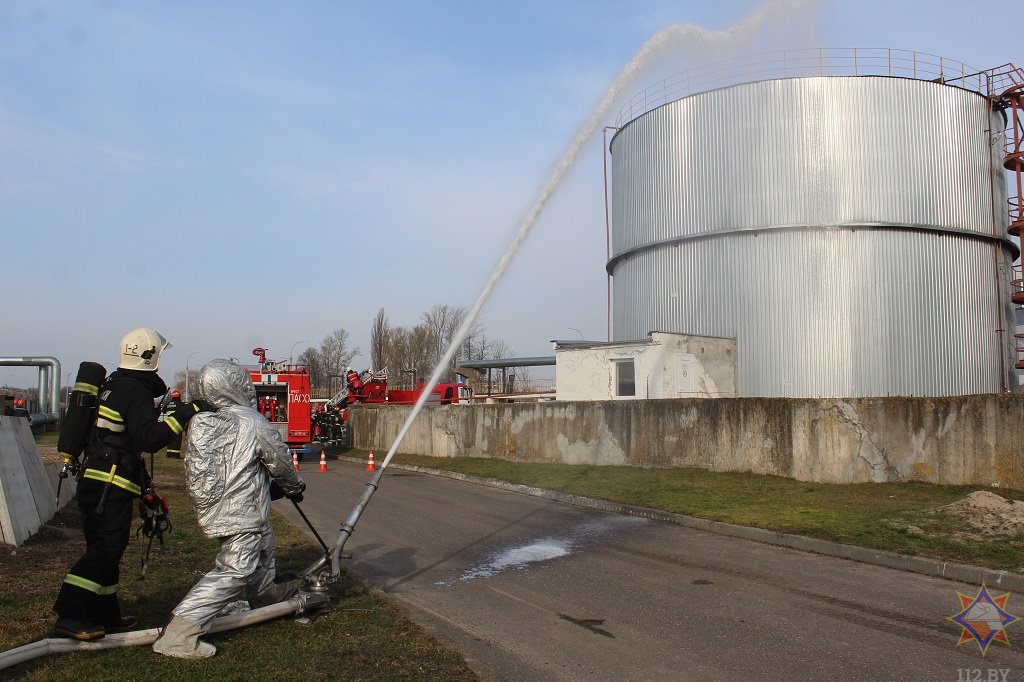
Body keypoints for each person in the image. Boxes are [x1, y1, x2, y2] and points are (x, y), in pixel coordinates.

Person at [53, 327, 206, 641]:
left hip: (98, 482)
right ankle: (70, 613)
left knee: (107, 547)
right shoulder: (134, 391)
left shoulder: (114, 385)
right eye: (159, 355)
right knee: (107, 549)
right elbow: (149, 439)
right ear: (149, 356)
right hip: (109, 485)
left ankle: (105, 613)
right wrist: (186, 413)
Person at [153, 358, 306, 659]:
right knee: (236, 569)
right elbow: (279, 459)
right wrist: (293, 487)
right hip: (243, 509)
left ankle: (265, 595)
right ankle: (179, 633)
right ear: (238, 387)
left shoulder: (206, 422)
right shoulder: (252, 421)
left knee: (265, 545)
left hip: (226, 508)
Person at [163, 390, 183, 458]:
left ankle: (169, 454)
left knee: (170, 439)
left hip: (169, 424)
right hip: (177, 424)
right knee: (177, 440)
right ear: (178, 397)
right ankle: (175, 455)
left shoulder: (168, 404)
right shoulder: (180, 404)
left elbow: (163, 411)